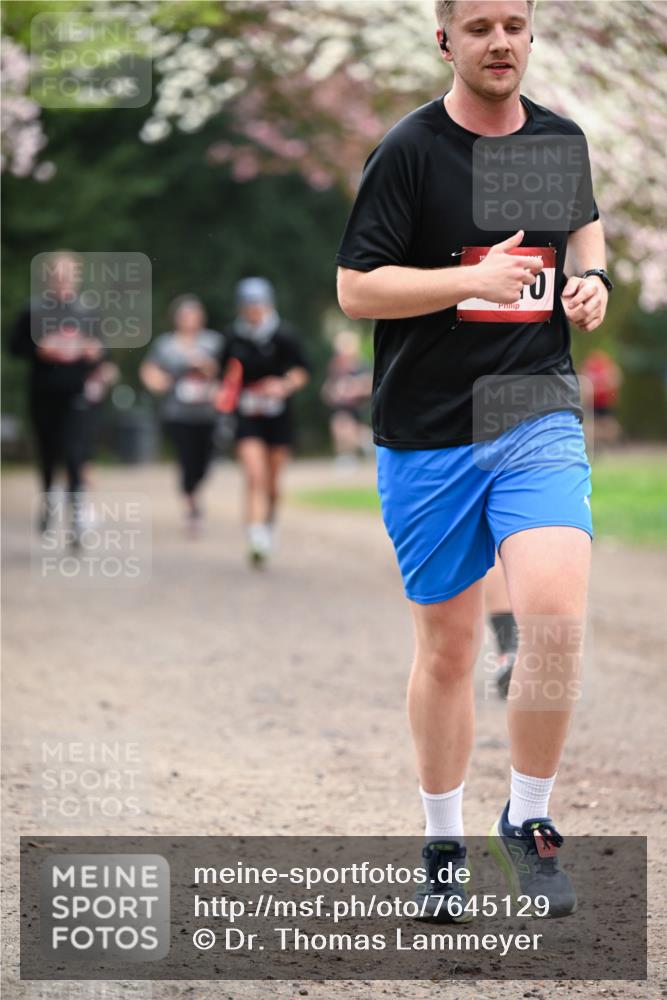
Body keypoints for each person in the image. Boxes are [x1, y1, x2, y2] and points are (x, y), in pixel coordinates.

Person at [336, 0, 612, 919]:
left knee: (553, 619)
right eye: (481, 25)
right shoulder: (409, 151)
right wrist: (469, 278)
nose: (501, 41)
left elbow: (583, 229)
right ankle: (441, 840)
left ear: (530, 37)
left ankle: (527, 822)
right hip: (426, 429)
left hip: (532, 406)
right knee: (450, 652)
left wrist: (591, 278)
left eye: (516, 25)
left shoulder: (555, 141)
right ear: (445, 39)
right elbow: (356, 289)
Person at [10, 250, 105, 540]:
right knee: (49, 451)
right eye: (59, 274)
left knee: (75, 454)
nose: (64, 280)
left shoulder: (87, 311)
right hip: (43, 392)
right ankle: (49, 498)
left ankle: (77, 515)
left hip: (76, 394)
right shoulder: (34, 311)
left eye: (70, 274)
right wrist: (40, 350)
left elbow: (102, 350)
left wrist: (93, 352)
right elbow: (15, 347)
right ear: (49, 278)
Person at [223, 278, 310, 566]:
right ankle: (256, 534)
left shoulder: (285, 336)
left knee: (272, 483)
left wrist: (283, 385)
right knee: (253, 475)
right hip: (247, 415)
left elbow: (302, 371)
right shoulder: (233, 338)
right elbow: (225, 376)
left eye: (258, 304)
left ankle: (267, 524)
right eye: (249, 305)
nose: (254, 310)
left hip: (279, 417)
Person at [140, 296, 223, 532]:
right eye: (185, 316)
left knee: (205, 460)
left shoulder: (213, 342)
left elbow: (228, 370)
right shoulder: (166, 344)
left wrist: (206, 367)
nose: (190, 320)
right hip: (178, 412)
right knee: (186, 458)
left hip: (207, 412)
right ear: (176, 319)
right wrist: (158, 382)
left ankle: (194, 489)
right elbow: (150, 369)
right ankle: (190, 504)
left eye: (194, 315)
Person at [321, 329, 373, 471]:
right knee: (339, 427)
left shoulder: (362, 365)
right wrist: (333, 393)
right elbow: (328, 388)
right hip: (341, 407)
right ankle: (347, 456)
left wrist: (355, 389)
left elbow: (370, 385)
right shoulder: (335, 366)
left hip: (358, 407)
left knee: (348, 430)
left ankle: (363, 443)